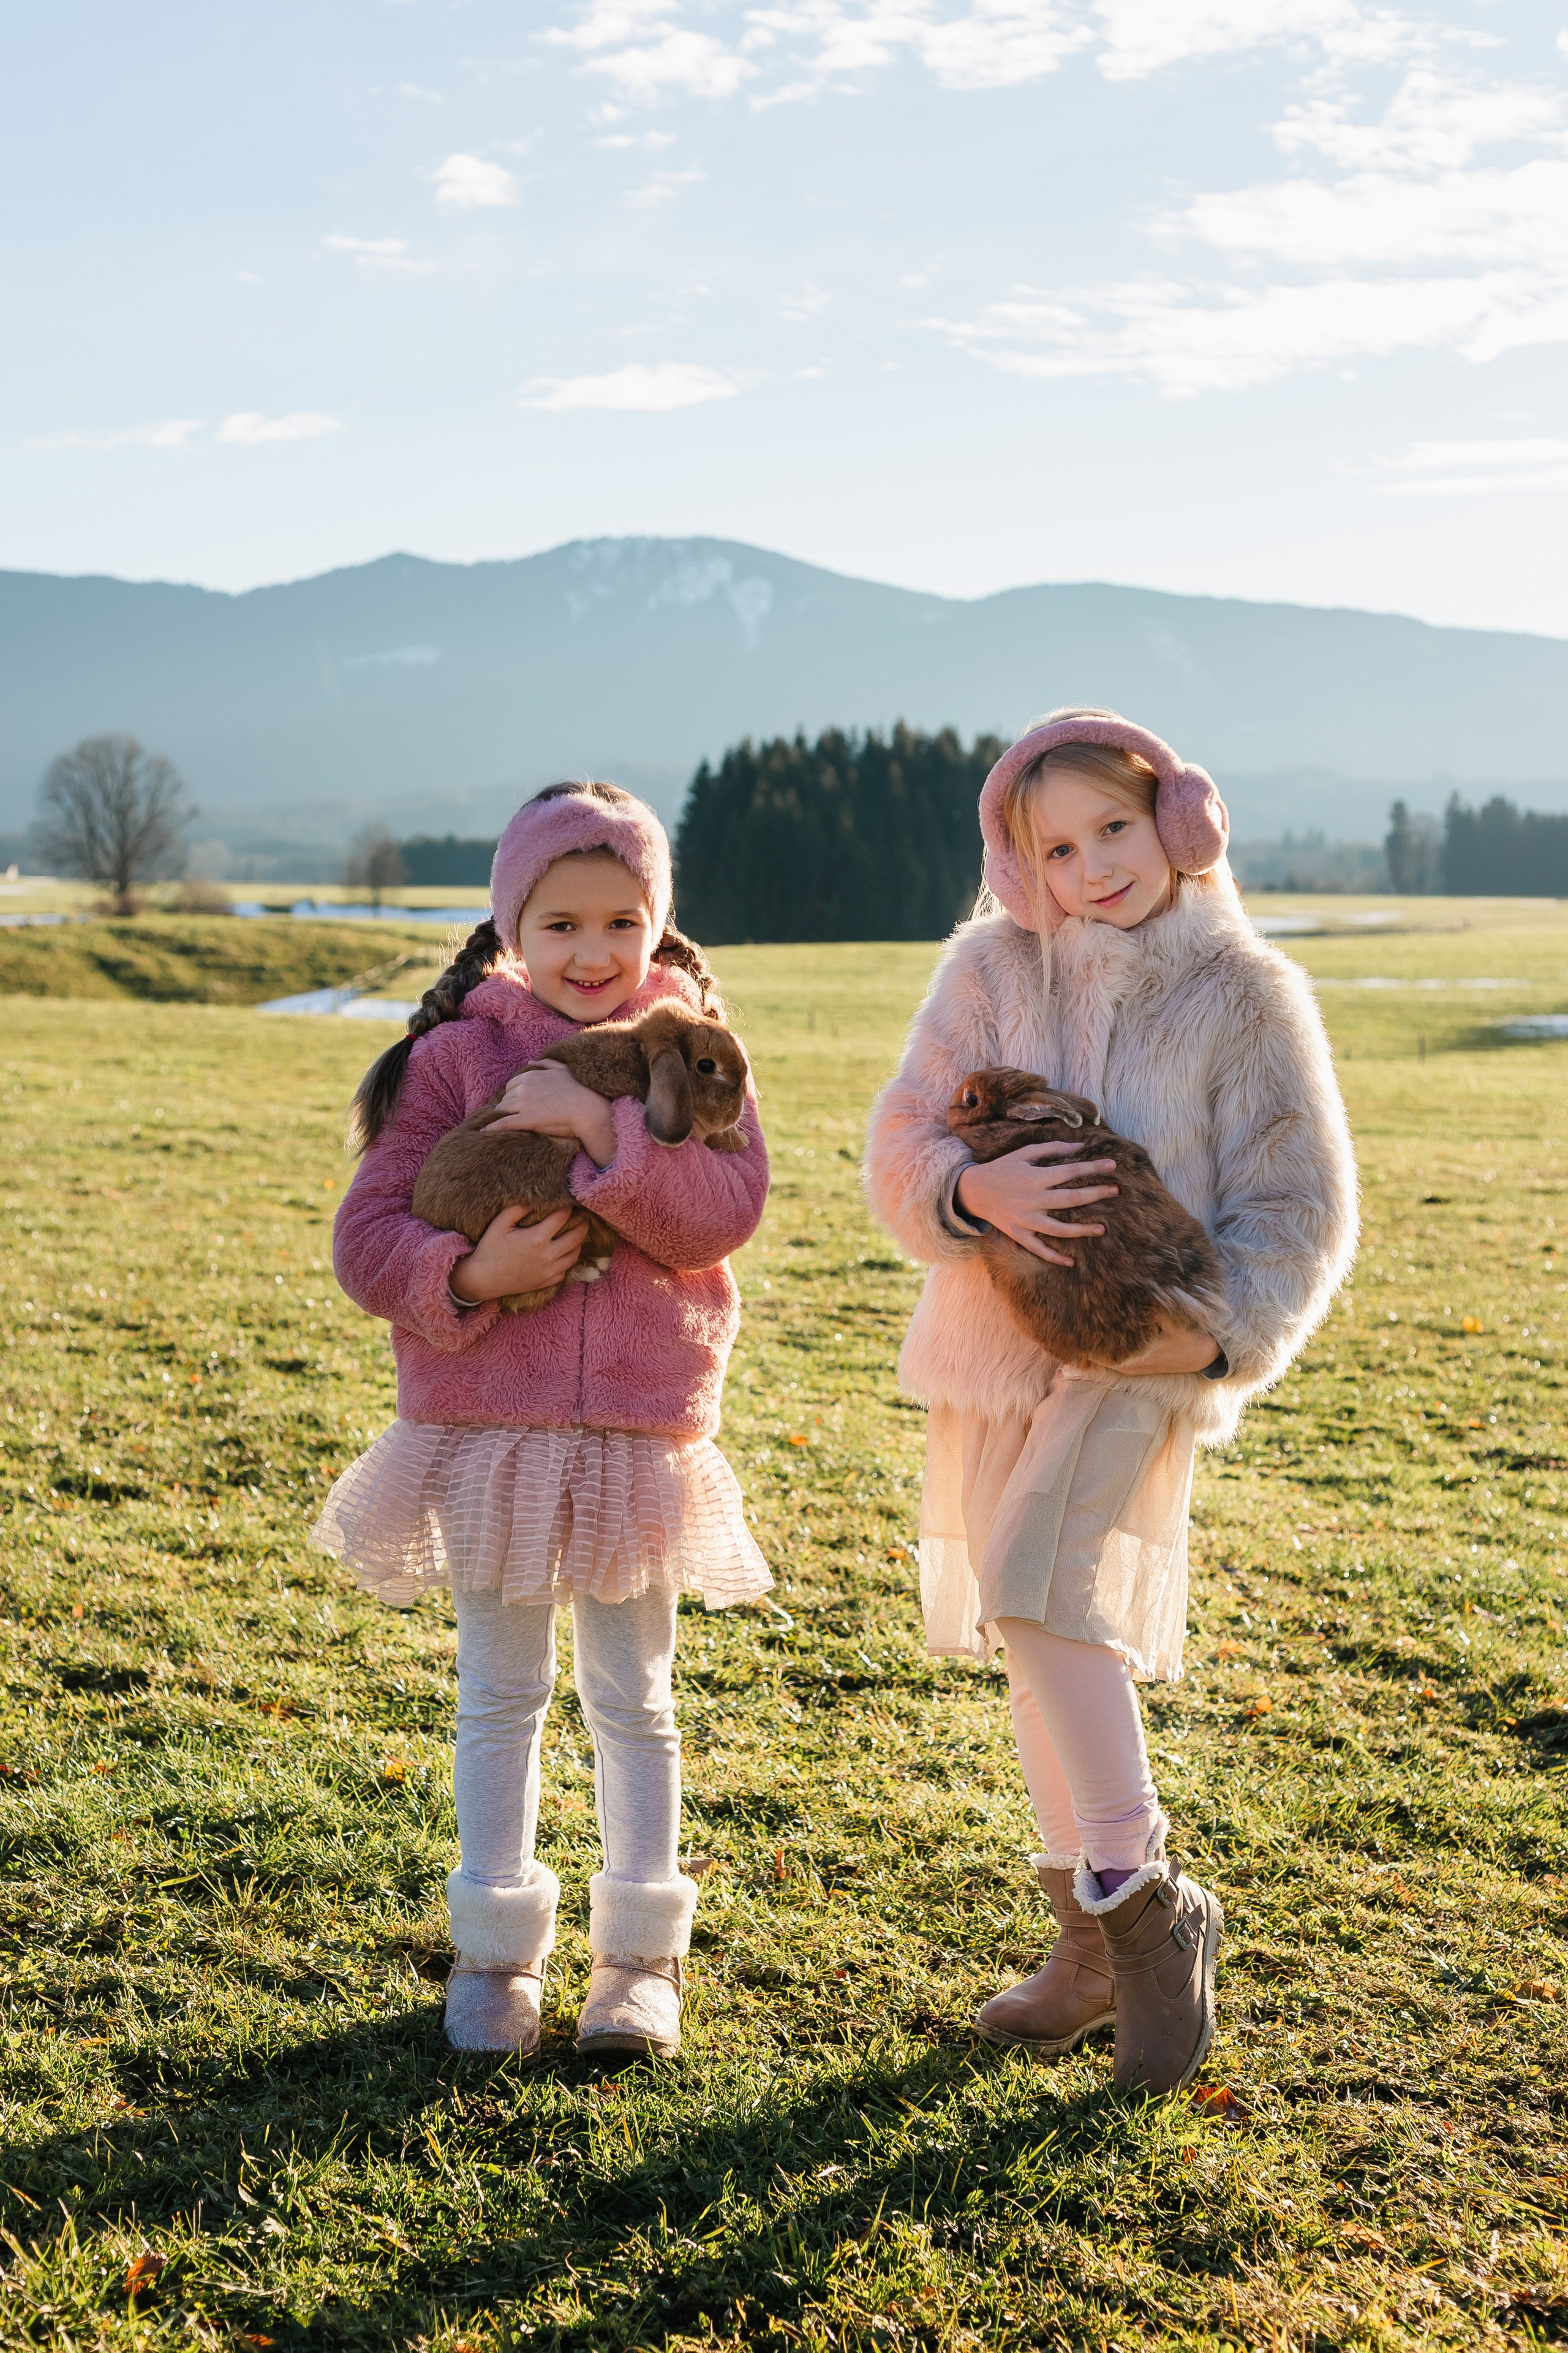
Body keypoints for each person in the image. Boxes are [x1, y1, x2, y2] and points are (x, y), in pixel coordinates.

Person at [864, 708, 1356, 2094]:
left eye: (1115, 830)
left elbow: (1297, 1206)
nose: (1091, 866)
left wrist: (1210, 1344)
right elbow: (902, 1135)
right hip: (989, 1350)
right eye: (1056, 846)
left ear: (1178, 820)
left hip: (1141, 1351)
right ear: (1018, 865)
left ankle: (1147, 1911)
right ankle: (1082, 1947)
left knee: (1039, 1588)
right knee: (1032, 1641)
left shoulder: (1245, 994)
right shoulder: (984, 967)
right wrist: (969, 1191)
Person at [314, 781, 771, 2061]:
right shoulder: (457, 1054)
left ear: (656, 921)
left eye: (620, 920)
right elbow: (367, 1236)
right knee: (500, 1695)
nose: (591, 952)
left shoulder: (693, 1045)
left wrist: (602, 1126)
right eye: (560, 922)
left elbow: (723, 1211)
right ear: (514, 924)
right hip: (490, 1427)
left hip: (636, 1432)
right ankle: (495, 1954)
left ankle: (638, 1959)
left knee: (635, 1699)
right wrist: (463, 1279)